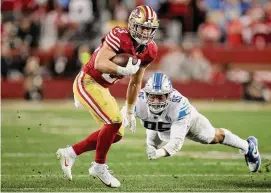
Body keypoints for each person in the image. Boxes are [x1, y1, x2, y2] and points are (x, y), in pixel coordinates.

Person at [56, 5, 159, 188]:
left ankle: (71, 153)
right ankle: (99, 166)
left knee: (116, 134)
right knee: (114, 121)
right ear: (133, 25)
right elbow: (99, 62)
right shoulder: (120, 35)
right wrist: (121, 69)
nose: (145, 33)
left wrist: (129, 108)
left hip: (102, 88)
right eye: (143, 28)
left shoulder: (149, 49)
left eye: (150, 29)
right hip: (87, 82)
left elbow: (135, 81)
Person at [122, 72, 261, 173]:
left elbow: (176, 143)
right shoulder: (138, 100)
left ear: (169, 95)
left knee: (212, 137)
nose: (156, 101)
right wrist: (118, 126)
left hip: (189, 123)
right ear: (146, 94)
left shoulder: (179, 106)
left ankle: (248, 146)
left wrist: (159, 153)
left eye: (160, 97)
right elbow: (120, 117)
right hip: (159, 125)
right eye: (153, 96)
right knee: (151, 144)